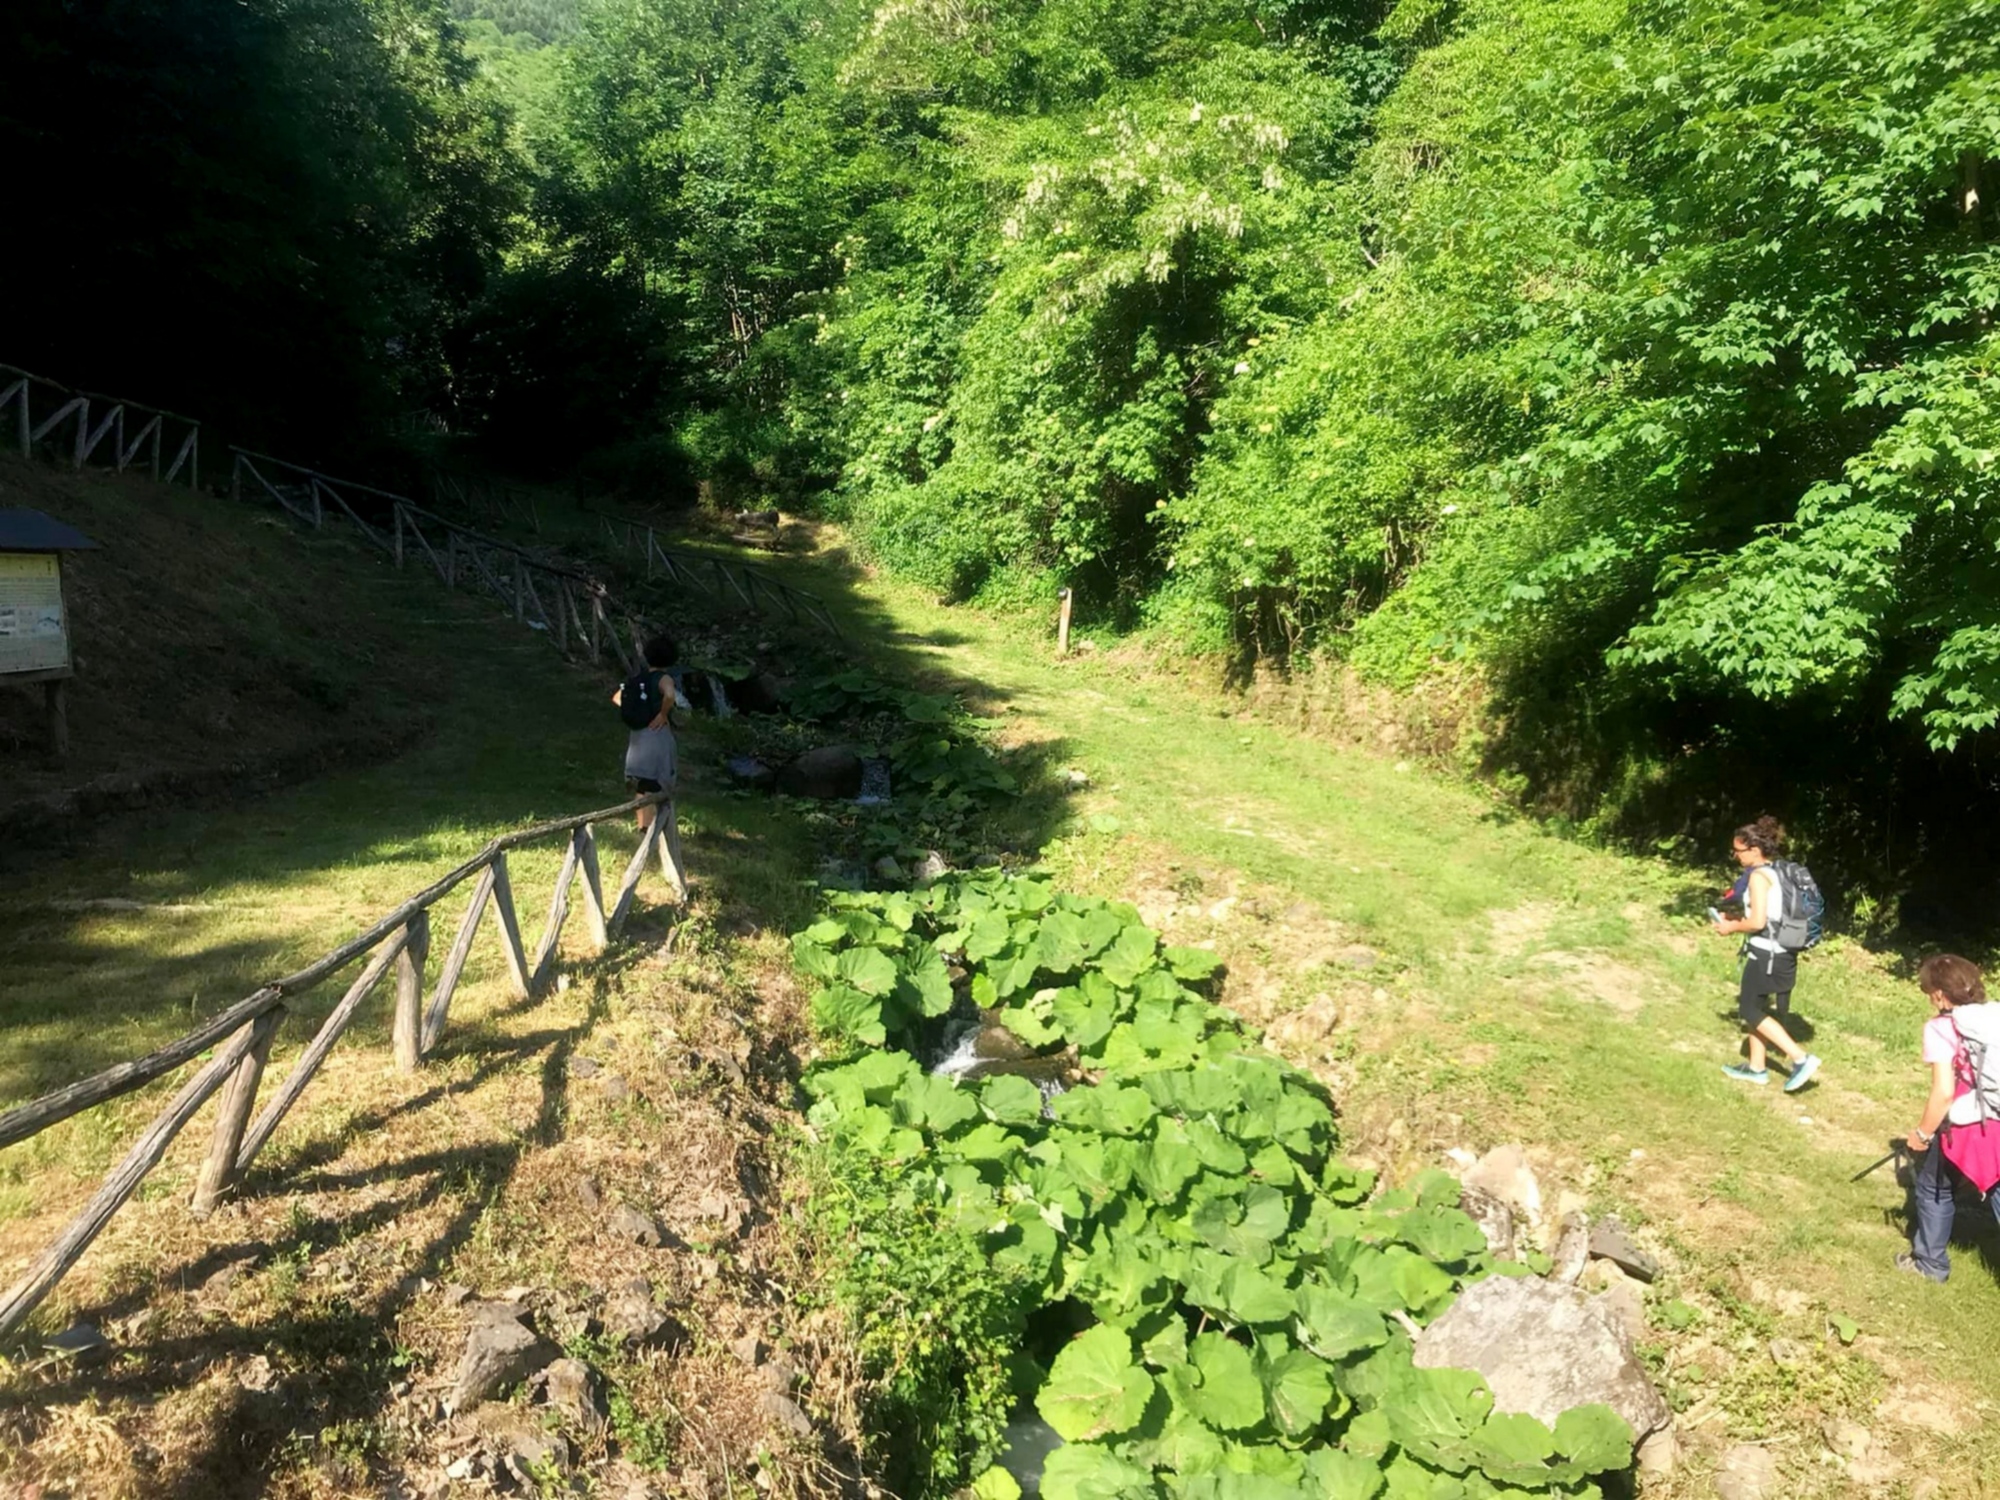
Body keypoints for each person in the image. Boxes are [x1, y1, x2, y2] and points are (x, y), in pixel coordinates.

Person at [1896, 954, 2000, 1282]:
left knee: (1932, 1187)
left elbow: (1943, 1093)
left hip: (1974, 1127)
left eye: (1929, 991)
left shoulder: (1941, 1028)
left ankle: (1930, 1265)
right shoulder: (1994, 1014)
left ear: (1939, 994)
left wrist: (1922, 1135)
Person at [1711, 816, 1822, 1091]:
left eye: (1737, 851)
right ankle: (1756, 1068)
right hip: (1775, 951)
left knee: (1749, 1008)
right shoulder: (1776, 873)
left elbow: (1758, 922)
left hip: (1768, 955)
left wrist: (1730, 927)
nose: (1735, 856)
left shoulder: (1759, 878)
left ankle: (1800, 1059)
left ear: (1753, 850)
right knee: (1755, 1008)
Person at [612, 634, 681, 830]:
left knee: (641, 784)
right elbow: (669, 694)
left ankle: (642, 825)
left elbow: (617, 698)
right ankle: (654, 828)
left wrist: (638, 713)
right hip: (657, 736)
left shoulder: (637, 679)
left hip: (637, 738)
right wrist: (662, 714)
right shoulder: (663, 678)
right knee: (657, 783)